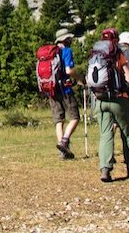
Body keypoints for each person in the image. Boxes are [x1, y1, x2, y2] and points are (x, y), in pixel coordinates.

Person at [91, 28, 129, 182]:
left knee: (106, 134)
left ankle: (105, 169)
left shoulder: (95, 53)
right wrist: (125, 88)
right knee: (126, 133)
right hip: (118, 98)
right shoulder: (117, 53)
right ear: (116, 39)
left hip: (100, 99)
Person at [49, 28, 80, 159]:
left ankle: (63, 151)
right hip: (65, 89)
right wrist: (80, 78)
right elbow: (68, 70)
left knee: (58, 119)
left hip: (51, 89)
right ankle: (64, 141)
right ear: (66, 39)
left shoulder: (51, 53)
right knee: (75, 117)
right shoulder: (66, 51)